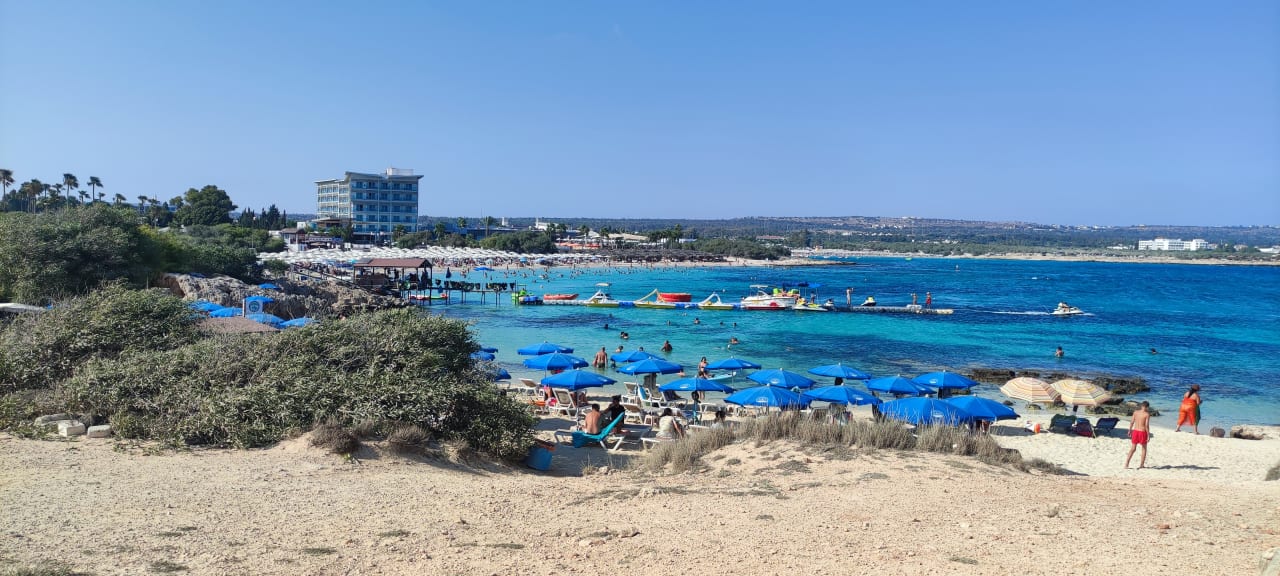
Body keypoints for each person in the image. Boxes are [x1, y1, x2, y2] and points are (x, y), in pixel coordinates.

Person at [1126, 401, 1151, 469]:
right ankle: (1141, 465)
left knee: (1133, 448)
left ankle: (1126, 463)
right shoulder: (1147, 414)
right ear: (1147, 407)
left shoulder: (1135, 412)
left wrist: (1129, 430)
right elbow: (1146, 425)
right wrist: (1148, 434)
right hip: (1142, 432)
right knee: (1144, 449)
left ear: (1141, 406)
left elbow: (1132, 422)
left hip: (1135, 431)